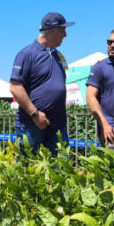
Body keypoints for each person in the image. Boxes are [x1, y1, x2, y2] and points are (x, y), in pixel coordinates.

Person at [9, 12, 73, 154]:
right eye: (62, 30)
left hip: (57, 125)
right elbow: (15, 87)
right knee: (26, 165)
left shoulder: (58, 56)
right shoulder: (27, 54)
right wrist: (35, 114)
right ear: (52, 30)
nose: (65, 35)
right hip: (31, 124)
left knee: (60, 166)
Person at [86, 29, 114, 154]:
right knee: (112, 165)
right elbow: (90, 97)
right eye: (109, 42)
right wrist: (104, 125)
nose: (112, 45)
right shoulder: (99, 68)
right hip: (111, 131)